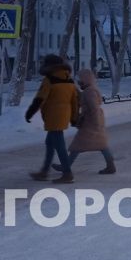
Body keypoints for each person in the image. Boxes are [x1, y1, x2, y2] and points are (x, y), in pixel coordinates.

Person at [52, 68, 116, 175]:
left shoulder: (89, 91)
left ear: (86, 79)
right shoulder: (90, 90)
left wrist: (96, 123)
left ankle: (65, 166)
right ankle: (111, 166)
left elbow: (93, 107)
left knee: (77, 145)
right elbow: (86, 100)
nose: (79, 82)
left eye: (80, 80)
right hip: (93, 122)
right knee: (102, 145)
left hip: (91, 123)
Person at [26, 55, 78, 183]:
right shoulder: (69, 80)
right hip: (64, 116)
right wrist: (74, 118)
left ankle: (67, 173)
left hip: (53, 116)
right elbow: (75, 101)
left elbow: (40, 98)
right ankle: (44, 171)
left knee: (59, 146)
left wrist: (30, 113)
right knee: (50, 143)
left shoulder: (49, 79)